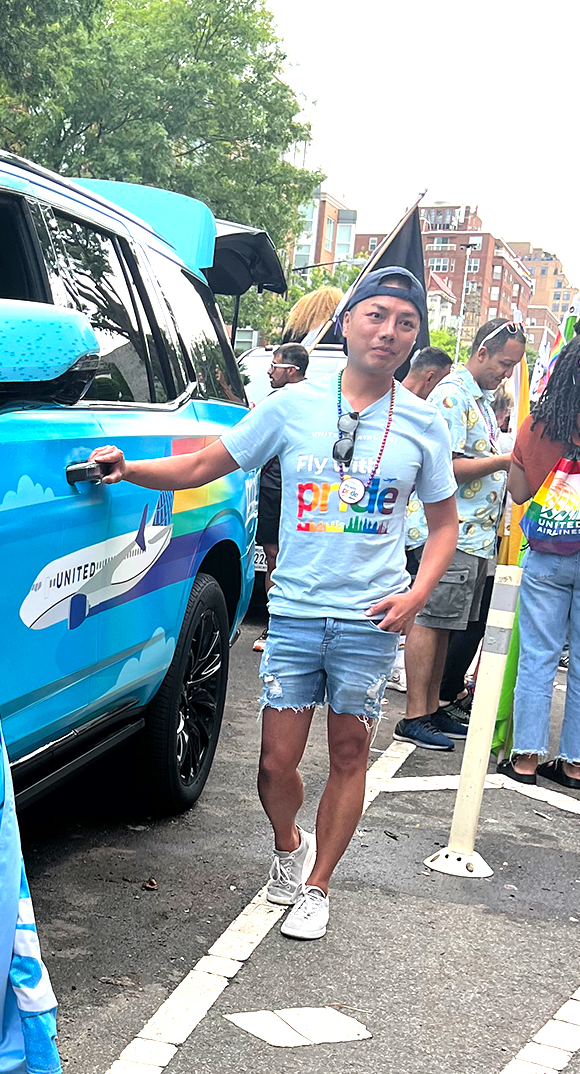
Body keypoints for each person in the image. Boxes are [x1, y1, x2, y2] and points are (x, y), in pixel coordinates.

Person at [87, 268, 458, 941]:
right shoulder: (291, 407)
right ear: (345, 324)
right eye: (375, 316)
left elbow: (442, 525)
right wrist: (130, 470)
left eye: (404, 323)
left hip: (369, 619)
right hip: (292, 614)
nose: (388, 332)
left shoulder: (424, 424)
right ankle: (290, 847)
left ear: (413, 338)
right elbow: (204, 464)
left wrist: (414, 595)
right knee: (272, 765)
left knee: (349, 754)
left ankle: (317, 887)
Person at [395, 319, 523, 748]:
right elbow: (444, 465)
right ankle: (415, 712)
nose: (506, 373)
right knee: (429, 623)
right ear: (482, 352)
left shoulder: (479, 399)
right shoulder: (453, 395)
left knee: (447, 625)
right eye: (504, 363)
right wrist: (502, 463)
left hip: (470, 535)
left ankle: (431, 709)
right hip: (448, 531)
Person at [499, 325, 580, 789]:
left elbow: (519, 492)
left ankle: (524, 759)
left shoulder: (537, 423)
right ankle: (576, 764)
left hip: (546, 550)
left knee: (538, 654)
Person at [253, 342, 309, 652]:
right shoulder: (275, 401)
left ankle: (281, 626)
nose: (268, 371)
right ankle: (274, 626)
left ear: (290, 370)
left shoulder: (302, 401)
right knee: (273, 554)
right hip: (274, 483)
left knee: (278, 555)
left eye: (273, 366)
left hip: (287, 485)